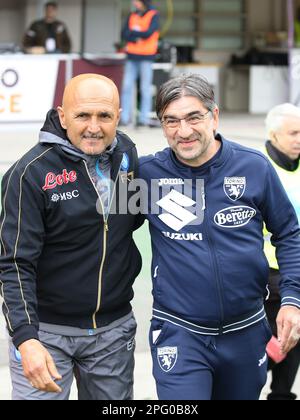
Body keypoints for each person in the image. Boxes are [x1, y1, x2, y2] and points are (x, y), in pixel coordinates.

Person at [139, 74, 300, 400]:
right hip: (179, 331)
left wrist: (292, 300)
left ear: (214, 115)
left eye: (193, 117)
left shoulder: (254, 167)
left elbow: (288, 232)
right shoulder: (146, 176)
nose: (183, 131)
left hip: (246, 330)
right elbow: (100, 229)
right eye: (171, 121)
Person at [0, 73, 142, 400]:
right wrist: (26, 339)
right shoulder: (31, 173)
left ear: (118, 117)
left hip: (113, 333)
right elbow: (15, 265)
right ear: (63, 116)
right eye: (82, 115)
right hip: (46, 335)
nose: (94, 126)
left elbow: (128, 222)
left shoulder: (126, 157)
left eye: (104, 116)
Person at [263, 103, 300, 400]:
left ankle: (281, 394)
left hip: (295, 272)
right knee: (267, 345)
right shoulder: (260, 167)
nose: (299, 138)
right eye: (293, 133)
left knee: (293, 341)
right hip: (266, 276)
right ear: (274, 135)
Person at [120, 0, 159, 127]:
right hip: (131, 56)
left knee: (145, 88)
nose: (134, 3)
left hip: (146, 57)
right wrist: (137, 35)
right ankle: (125, 118)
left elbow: (148, 33)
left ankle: (144, 119)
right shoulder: (132, 15)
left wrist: (133, 34)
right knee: (126, 87)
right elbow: (124, 33)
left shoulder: (153, 14)